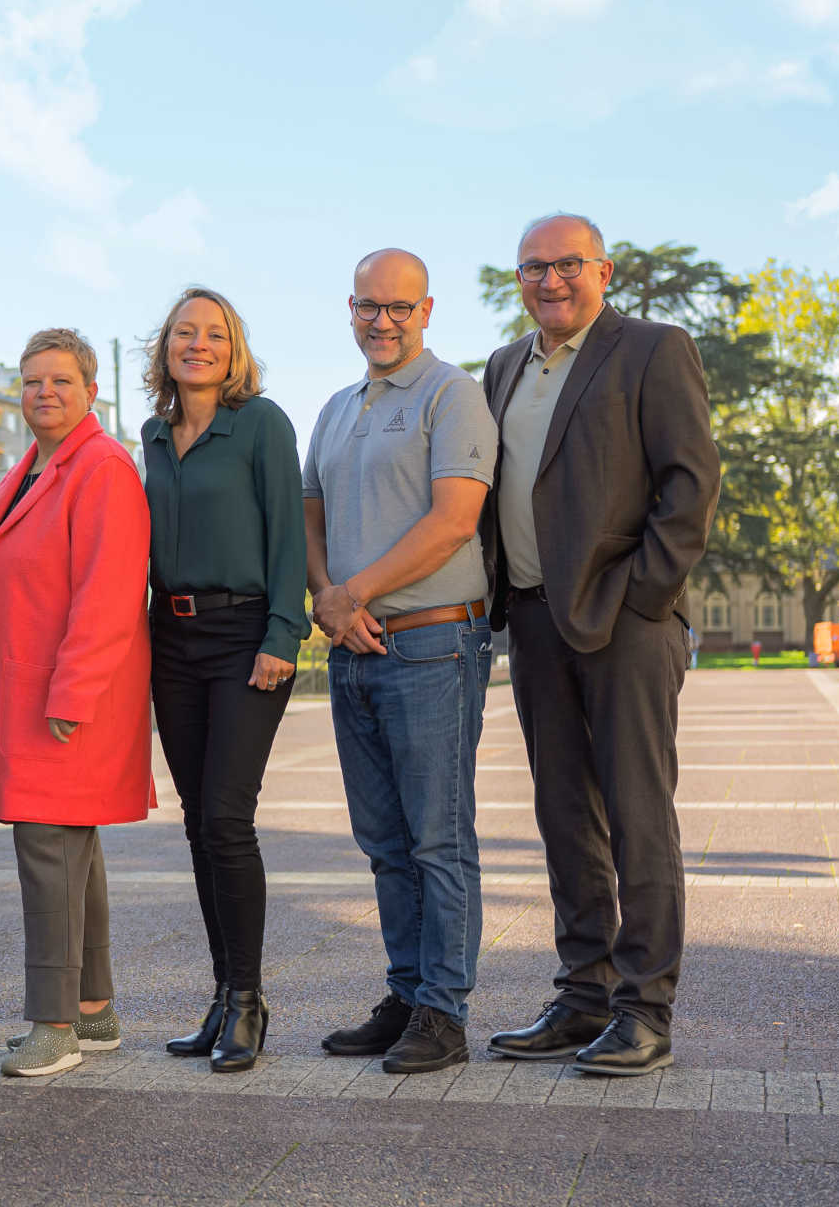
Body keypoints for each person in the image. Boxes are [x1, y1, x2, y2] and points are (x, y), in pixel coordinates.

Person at [481, 214, 720, 1077]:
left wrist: (644, 600)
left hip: (625, 622)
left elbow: (690, 485)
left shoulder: (654, 350)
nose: (550, 280)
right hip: (536, 621)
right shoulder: (504, 366)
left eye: (567, 265)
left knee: (637, 816)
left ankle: (645, 1008)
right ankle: (584, 993)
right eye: (533, 268)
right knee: (563, 814)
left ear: (603, 270)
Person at [303, 249, 498, 1075]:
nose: (382, 321)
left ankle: (445, 1015)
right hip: (356, 647)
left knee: (437, 839)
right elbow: (311, 512)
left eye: (399, 307)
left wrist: (356, 594)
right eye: (367, 306)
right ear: (350, 309)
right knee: (384, 841)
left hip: (431, 643)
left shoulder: (453, 395)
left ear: (426, 311)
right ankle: (407, 992)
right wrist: (326, 597)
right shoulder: (337, 408)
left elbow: (455, 520)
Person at [0, 328, 153, 1079]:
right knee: (73, 853)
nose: (45, 393)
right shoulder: (32, 468)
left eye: (61, 382)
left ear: (90, 391)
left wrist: (71, 694)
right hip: (28, 693)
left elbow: (107, 593)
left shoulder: (101, 466)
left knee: (46, 853)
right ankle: (96, 1010)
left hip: (65, 698)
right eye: (33, 381)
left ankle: (54, 1025)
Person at [140, 288, 309, 1072]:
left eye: (213, 334)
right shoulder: (152, 433)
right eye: (184, 333)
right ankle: (219, 995)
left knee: (227, 819)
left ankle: (248, 999)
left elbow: (288, 532)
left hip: (245, 636)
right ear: (166, 347)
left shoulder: (262, 424)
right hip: (170, 638)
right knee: (196, 822)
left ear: (233, 349)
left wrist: (284, 632)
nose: (197, 345)